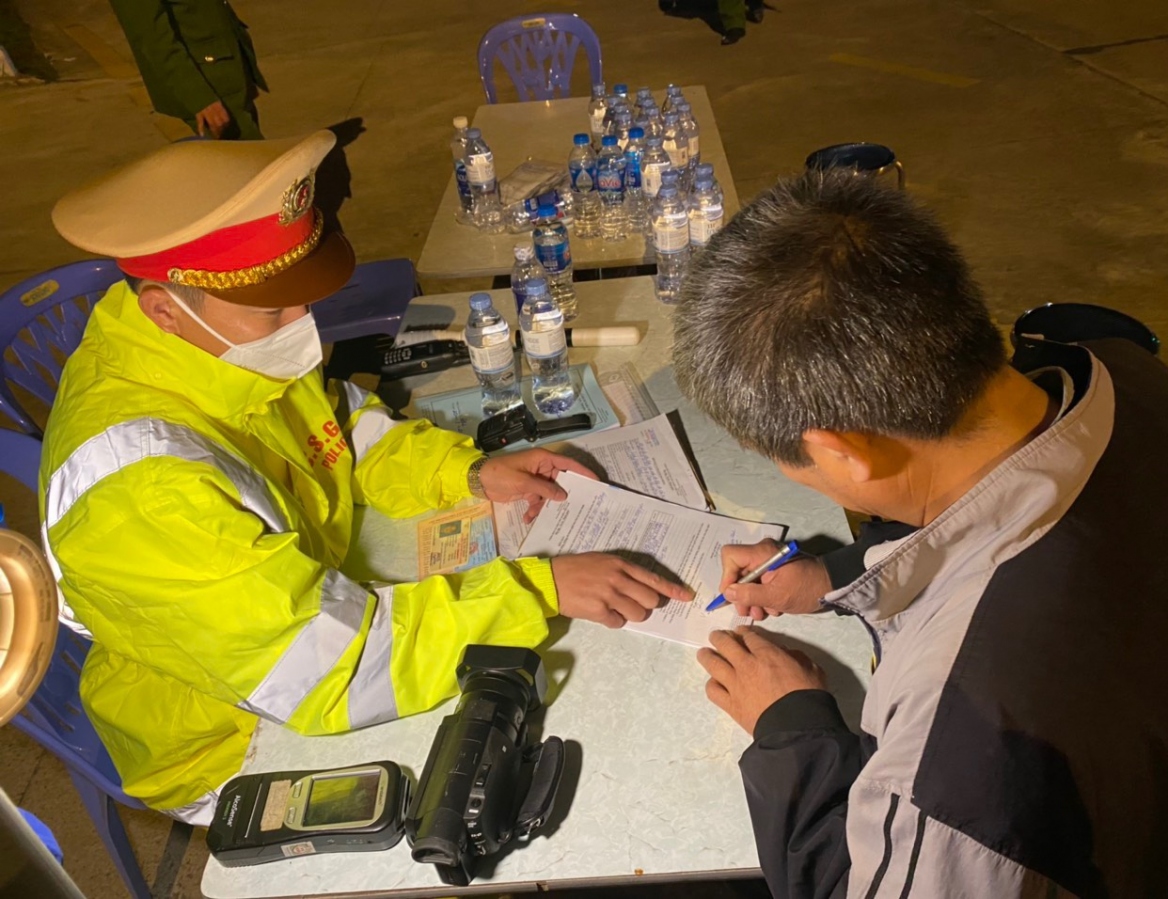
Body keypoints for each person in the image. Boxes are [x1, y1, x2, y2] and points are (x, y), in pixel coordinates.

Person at [42, 131, 689, 825]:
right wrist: (541, 586)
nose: (305, 327)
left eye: (302, 299)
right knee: (563, 772)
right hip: (233, 739)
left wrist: (466, 473)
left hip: (304, 623)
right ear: (166, 309)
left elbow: (341, 429)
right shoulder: (136, 496)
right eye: (274, 310)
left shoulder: (213, 352)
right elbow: (334, 670)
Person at [672, 171, 1168, 897]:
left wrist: (791, 726)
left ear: (841, 454)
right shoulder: (1122, 373)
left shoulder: (960, 755)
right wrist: (832, 574)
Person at [108, 0, 267, 139]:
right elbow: (153, 39)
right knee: (254, 166)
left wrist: (244, 66)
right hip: (205, 83)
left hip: (228, 69)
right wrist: (200, 98)